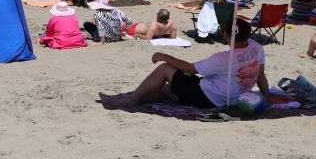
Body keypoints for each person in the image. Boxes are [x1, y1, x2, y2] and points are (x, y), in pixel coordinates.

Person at [100, 18, 271, 108]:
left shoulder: (225, 58)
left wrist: (164, 56)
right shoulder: (256, 47)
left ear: (227, 35)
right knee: (165, 89)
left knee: (164, 69)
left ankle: (130, 100)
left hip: (212, 97)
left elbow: (191, 68)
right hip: (232, 96)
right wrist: (268, 97)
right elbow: (260, 76)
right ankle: (128, 98)